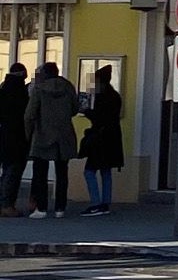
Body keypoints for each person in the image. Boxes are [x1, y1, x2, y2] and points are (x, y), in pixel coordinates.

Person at [24, 61, 78, 218]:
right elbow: (75, 108)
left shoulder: (39, 89)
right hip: (64, 135)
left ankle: (41, 208)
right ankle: (60, 208)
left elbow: (29, 114)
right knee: (62, 173)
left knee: (40, 172)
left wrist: (28, 135)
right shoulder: (68, 87)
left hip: (43, 134)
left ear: (45, 73)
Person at [80, 64, 124, 216]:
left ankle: (95, 203)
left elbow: (99, 118)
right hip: (112, 138)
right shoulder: (115, 96)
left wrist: (87, 112)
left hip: (100, 139)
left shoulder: (101, 97)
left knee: (89, 171)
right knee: (106, 171)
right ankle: (105, 203)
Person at [0, 64, 29, 217]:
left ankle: (4, 204)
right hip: (17, 138)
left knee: (6, 172)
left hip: (4, 136)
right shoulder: (19, 92)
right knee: (13, 173)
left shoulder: (3, 88)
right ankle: (7, 205)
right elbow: (26, 115)